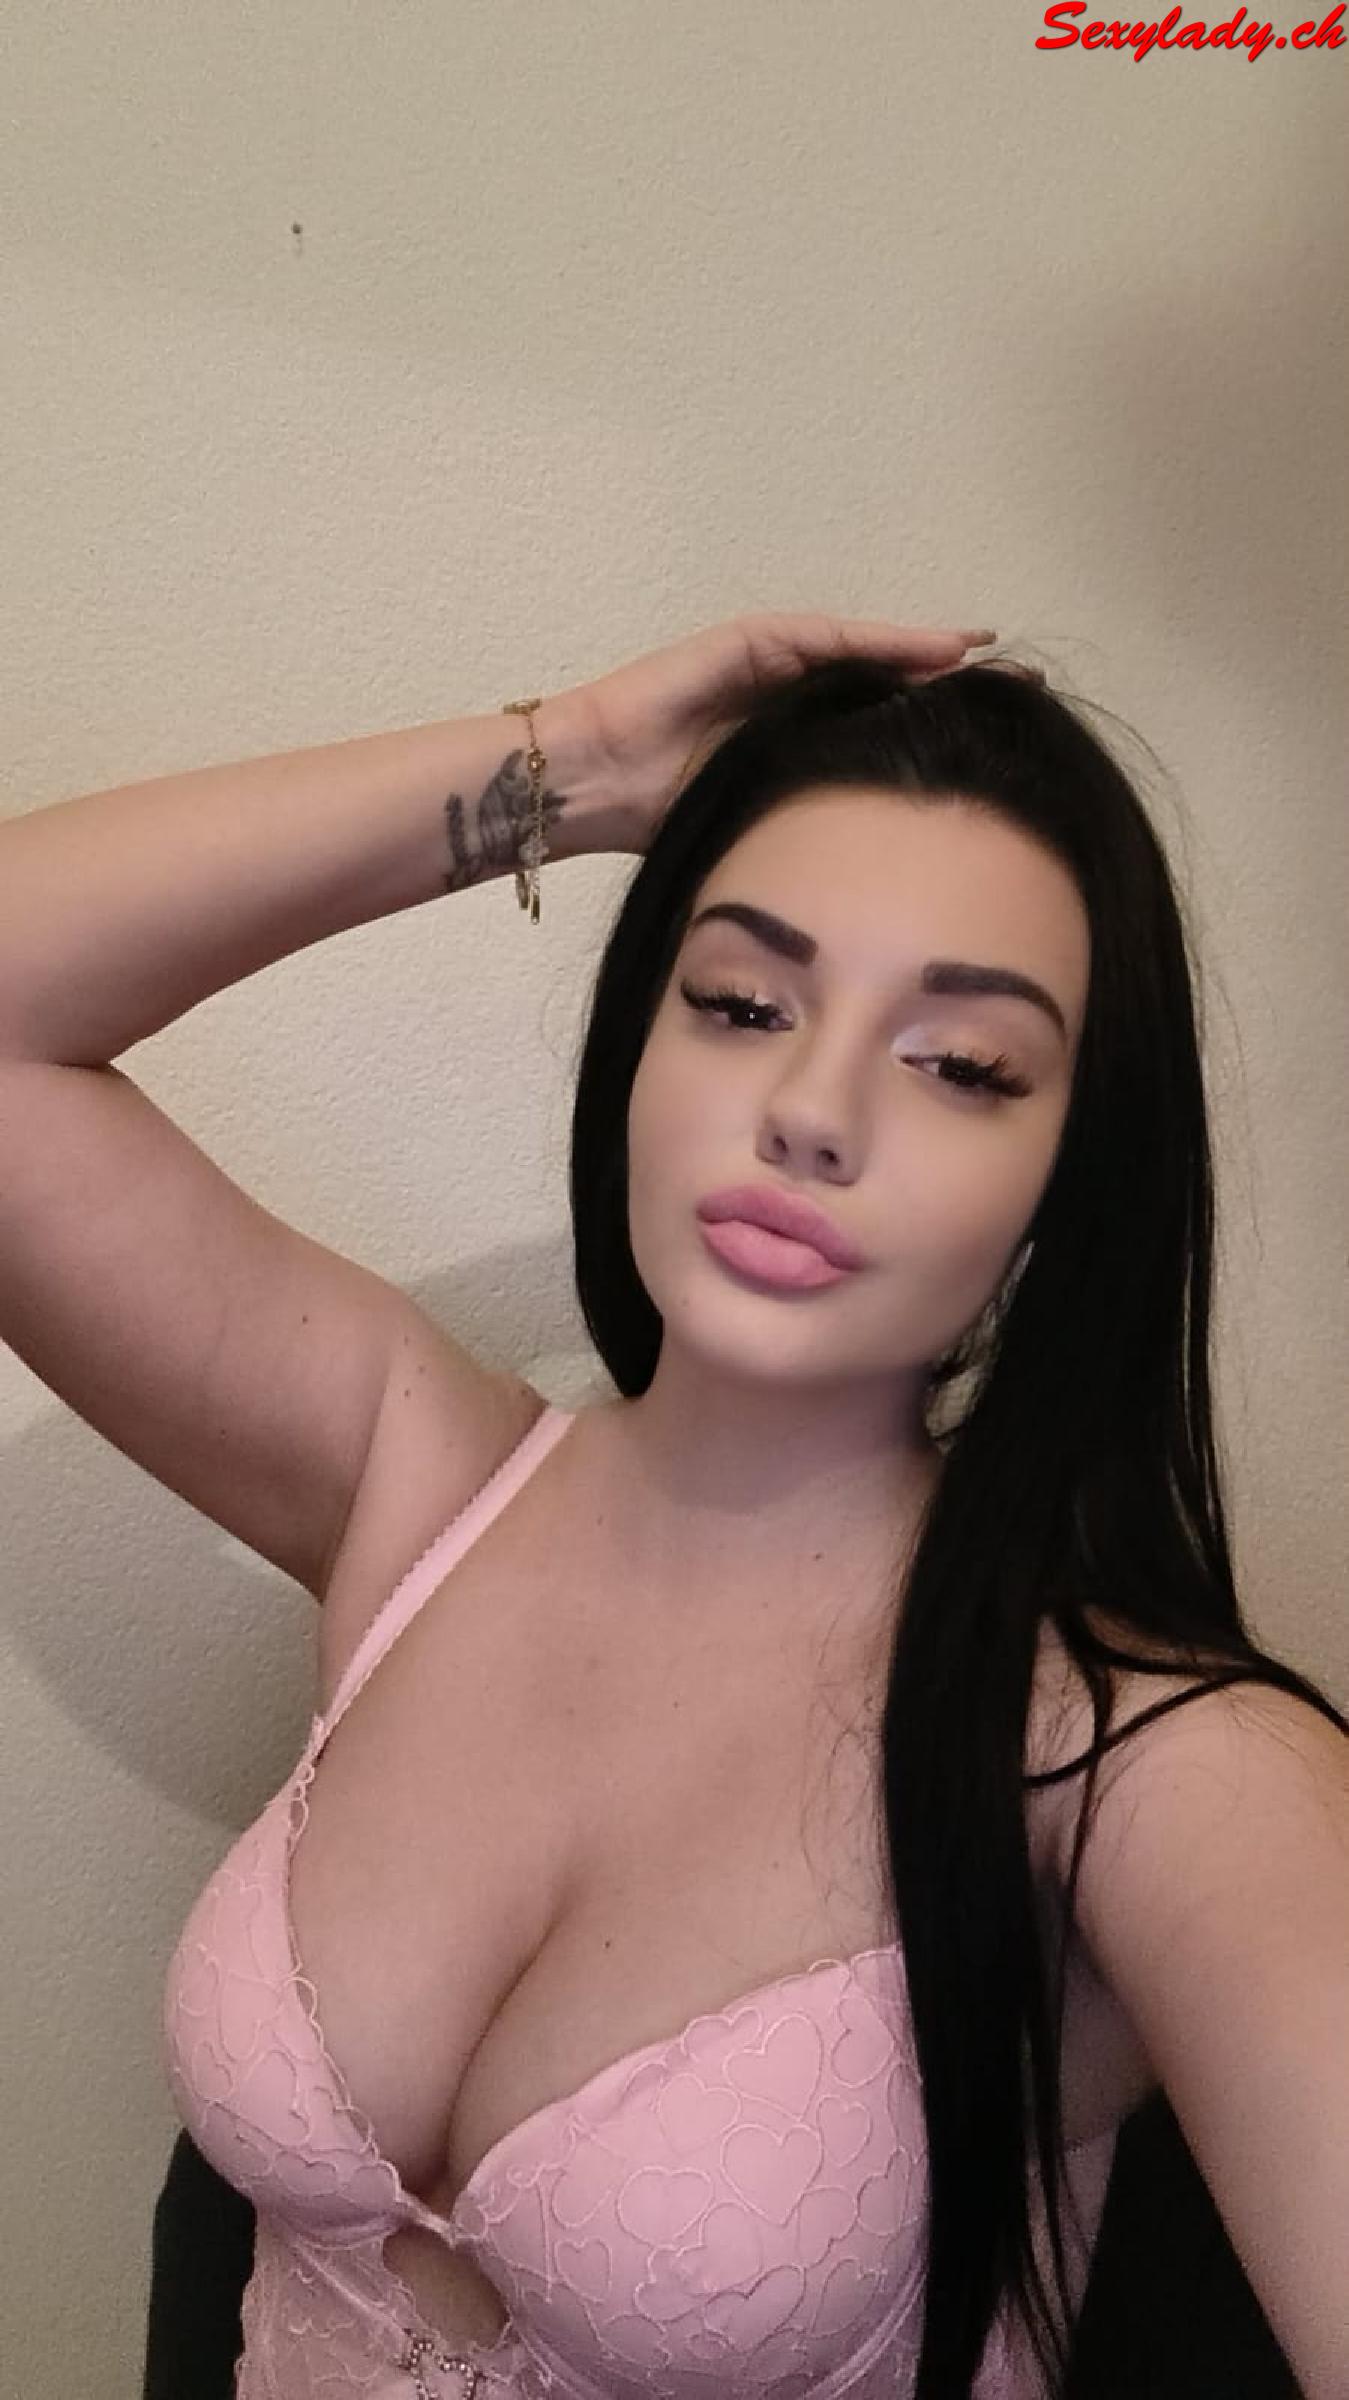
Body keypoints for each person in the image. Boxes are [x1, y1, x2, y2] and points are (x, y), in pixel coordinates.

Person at [1, 611, 1345, 2400]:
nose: (809, 1108)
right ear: (641, 1037)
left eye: (961, 1066)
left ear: (1070, 1177)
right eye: (740, 1004)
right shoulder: (420, 1485)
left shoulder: (1150, 1767)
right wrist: (578, 767)